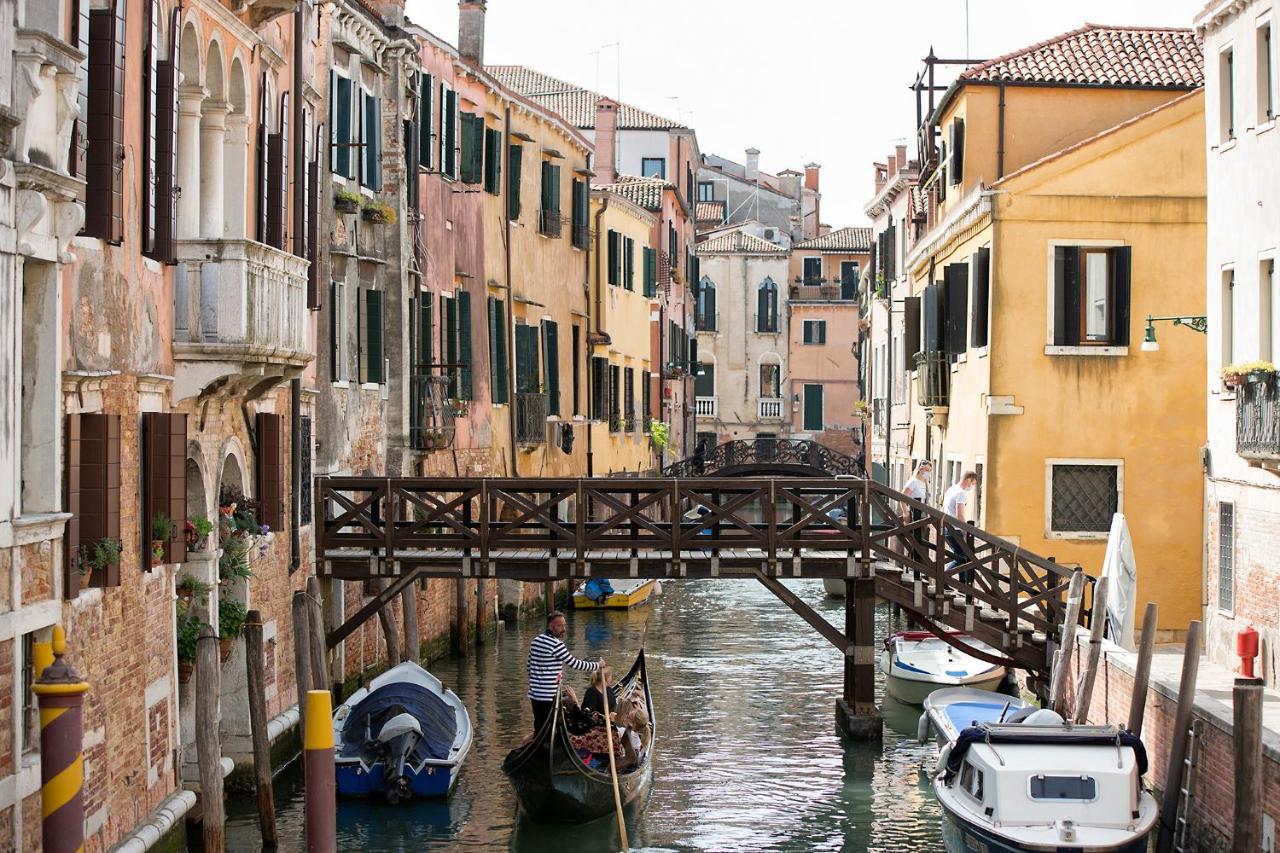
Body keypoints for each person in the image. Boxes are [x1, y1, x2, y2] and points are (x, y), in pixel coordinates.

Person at [527, 611, 602, 734]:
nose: (564, 629)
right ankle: (547, 748)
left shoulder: (536, 641)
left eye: (565, 625)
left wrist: (538, 682)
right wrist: (598, 665)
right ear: (551, 626)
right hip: (548, 695)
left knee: (540, 725)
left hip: (535, 694)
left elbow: (529, 667)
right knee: (550, 728)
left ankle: (539, 747)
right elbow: (576, 664)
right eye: (560, 626)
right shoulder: (557, 645)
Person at [942, 471, 980, 580]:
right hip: (956, 529)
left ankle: (961, 585)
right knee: (962, 558)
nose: (972, 486)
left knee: (961, 556)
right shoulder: (961, 494)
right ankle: (944, 578)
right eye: (973, 483)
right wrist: (965, 531)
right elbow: (960, 515)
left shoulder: (951, 489)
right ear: (968, 480)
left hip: (948, 528)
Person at [900, 461, 933, 556]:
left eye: (929, 470)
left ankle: (920, 565)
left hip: (924, 515)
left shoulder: (925, 483)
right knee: (915, 540)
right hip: (915, 514)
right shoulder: (913, 482)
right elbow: (902, 498)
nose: (928, 472)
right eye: (926, 470)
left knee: (922, 541)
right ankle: (912, 565)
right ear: (920, 469)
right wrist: (905, 514)